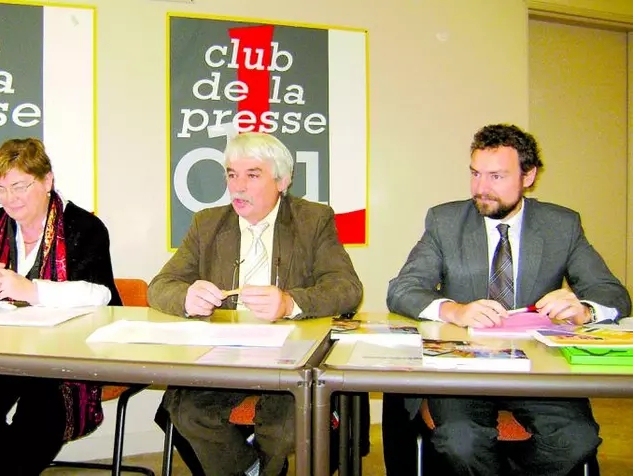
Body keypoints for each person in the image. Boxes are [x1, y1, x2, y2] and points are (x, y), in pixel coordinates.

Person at [386, 123, 631, 476]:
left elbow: (613, 293)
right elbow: (402, 289)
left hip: (538, 369)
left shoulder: (561, 225)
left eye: (496, 176)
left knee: (576, 440)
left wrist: (585, 308)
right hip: (463, 370)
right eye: (475, 174)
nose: (480, 188)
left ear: (528, 176)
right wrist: (454, 310)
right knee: (461, 442)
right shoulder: (446, 221)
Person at [148, 131, 363, 476]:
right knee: (188, 413)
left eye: (252, 175)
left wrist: (290, 302)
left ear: (282, 180)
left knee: (283, 430)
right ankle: (256, 471)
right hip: (224, 359)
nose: (238, 187)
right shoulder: (208, 224)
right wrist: (186, 298)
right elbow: (159, 286)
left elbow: (347, 288)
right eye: (232, 175)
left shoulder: (313, 220)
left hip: (288, 361)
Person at [0, 138, 121, 475]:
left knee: (41, 409)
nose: (9, 199)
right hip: (3, 351)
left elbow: (100, 294)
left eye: (19, 186)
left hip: (63, 355)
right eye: (0, 189)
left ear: (47, 181)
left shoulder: (84, 227)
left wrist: (30, 289)